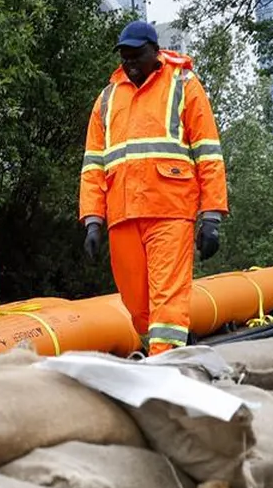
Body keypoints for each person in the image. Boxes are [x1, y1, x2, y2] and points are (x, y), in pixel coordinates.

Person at [80, 19, 228, 357]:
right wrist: (92, 220)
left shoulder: (184, 84)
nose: (130, 63)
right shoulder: (107, 98)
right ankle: (166, 354)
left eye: (137, 55)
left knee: (168, 298)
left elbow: (208, 152)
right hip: (122, 215)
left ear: (155, 52)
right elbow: (93, 166)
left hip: (170, 210)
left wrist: (212, 216)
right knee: (137, 305)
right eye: (124, 57)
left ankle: (165, 365)